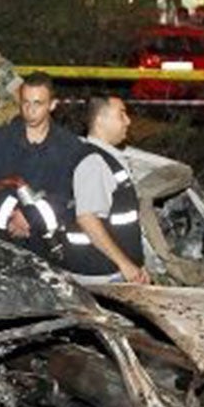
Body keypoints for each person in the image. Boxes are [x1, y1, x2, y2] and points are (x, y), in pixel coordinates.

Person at [0, 72, 85, 264]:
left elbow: (71, 198)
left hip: (51, 252)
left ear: (52, 105)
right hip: (0, 247)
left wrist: (29, 217)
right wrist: (11, 213)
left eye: (38, 103)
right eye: (25, 102)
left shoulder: (69, 147)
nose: (30, 109)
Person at [64, 94, 150, 285]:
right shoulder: (94, 162)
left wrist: (135, 262)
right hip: (102, 273)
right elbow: (87, 218)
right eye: (121, 115)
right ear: (100, 121)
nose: (128, 121)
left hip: (113, 270)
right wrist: (125, 264)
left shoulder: (105, 158)